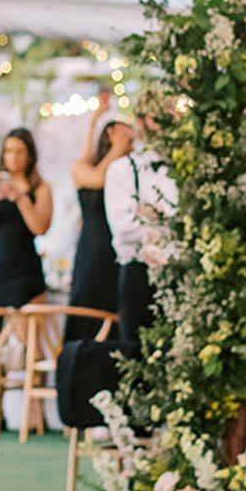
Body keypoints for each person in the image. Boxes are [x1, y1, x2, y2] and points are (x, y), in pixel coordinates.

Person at [0, 127, 52, 350]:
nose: (13, 157)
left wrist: (20, 198)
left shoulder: (40, 187)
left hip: (24, 270)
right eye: (8, 151)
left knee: (31, 342)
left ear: (29, 155)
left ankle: (32, 383)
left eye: (19, 151)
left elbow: (40, 227)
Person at [105, 122, 177, 347]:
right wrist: (163, 225)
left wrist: (152, 216)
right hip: (137, 272)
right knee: (136, 350)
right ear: (141, 120)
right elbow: (123, 229)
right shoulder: (122, 169)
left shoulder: (180, 169)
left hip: (176, 273)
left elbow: (184, 223)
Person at [68, 98, 131, 318]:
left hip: (120, 246)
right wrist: (117, 148)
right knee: (89, 307)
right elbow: (97, 177)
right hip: (94, 248)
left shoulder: (128, 170)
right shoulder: (81, 169)